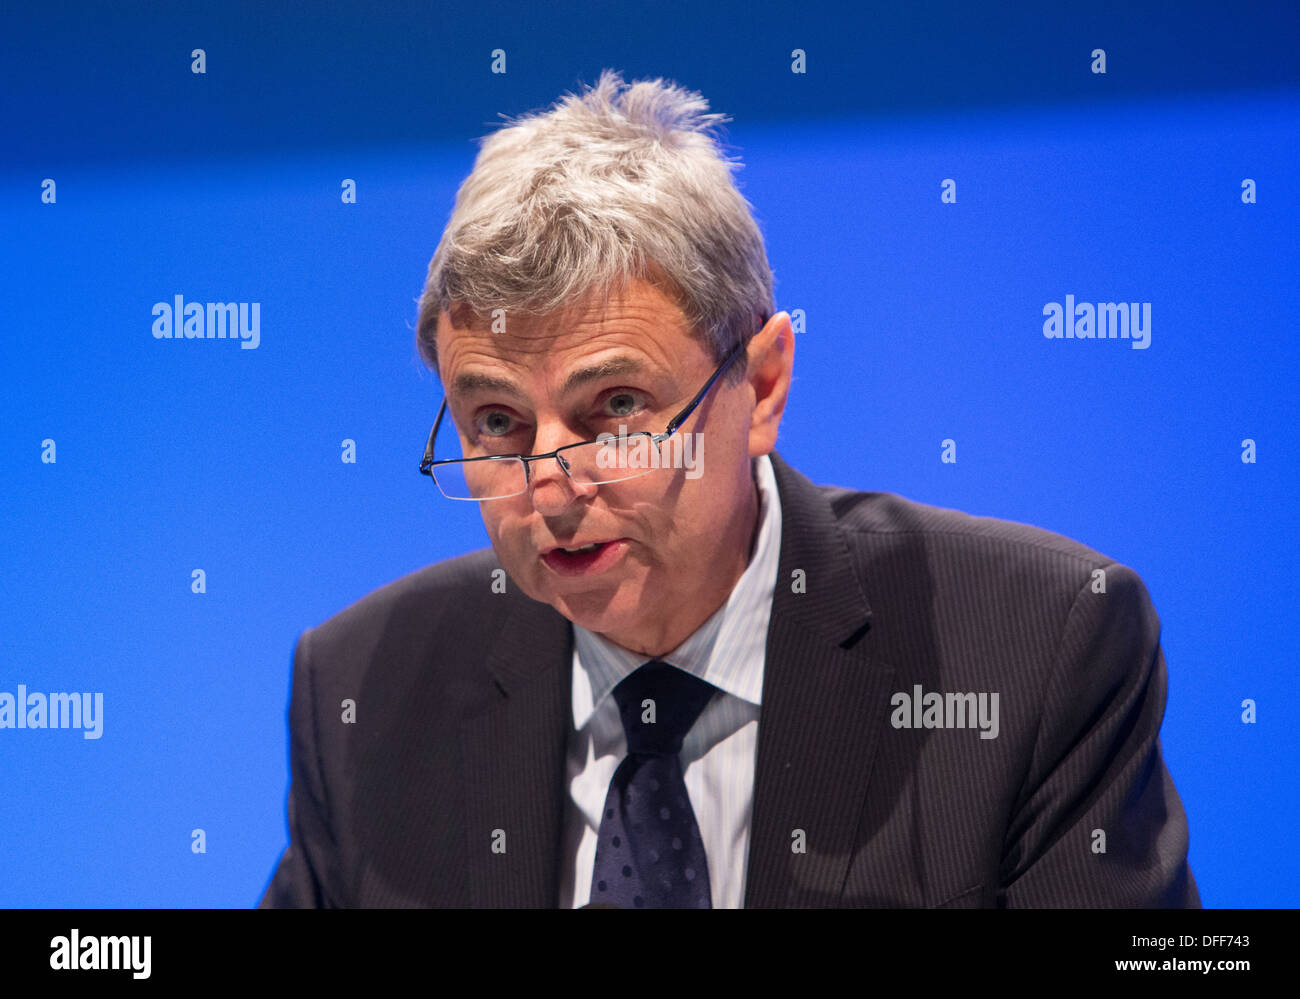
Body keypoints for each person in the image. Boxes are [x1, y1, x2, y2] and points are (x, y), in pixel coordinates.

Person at [259, 69, 1199, 908]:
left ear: (763, 385)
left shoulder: (1033, 649)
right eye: (498, 422)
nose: (551, 490)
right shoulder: (366, 694)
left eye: (615, 407)